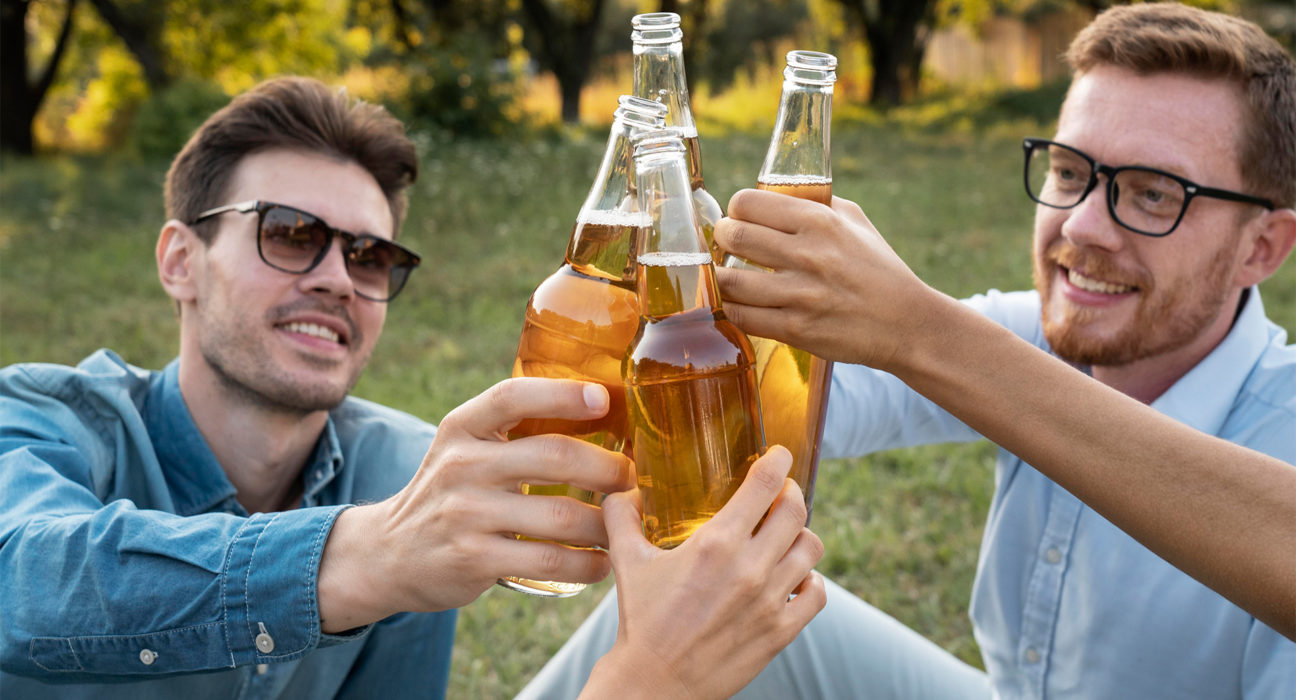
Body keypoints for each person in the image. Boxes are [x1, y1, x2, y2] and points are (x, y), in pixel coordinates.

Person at [520, 3, 1296, 698]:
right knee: (702, 628)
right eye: (1068, 172)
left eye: (1153, 193)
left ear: (1265, 245)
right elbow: (802, 403)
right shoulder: (1042, 335)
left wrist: (921, 333)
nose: (1083, 227)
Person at [0, 76, 826, 699]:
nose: (336, 279)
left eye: (369, 257)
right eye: (291, 235)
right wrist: (368, 555)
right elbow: (26, 583)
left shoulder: (406, 466)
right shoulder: (42, 417)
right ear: (180, 260)